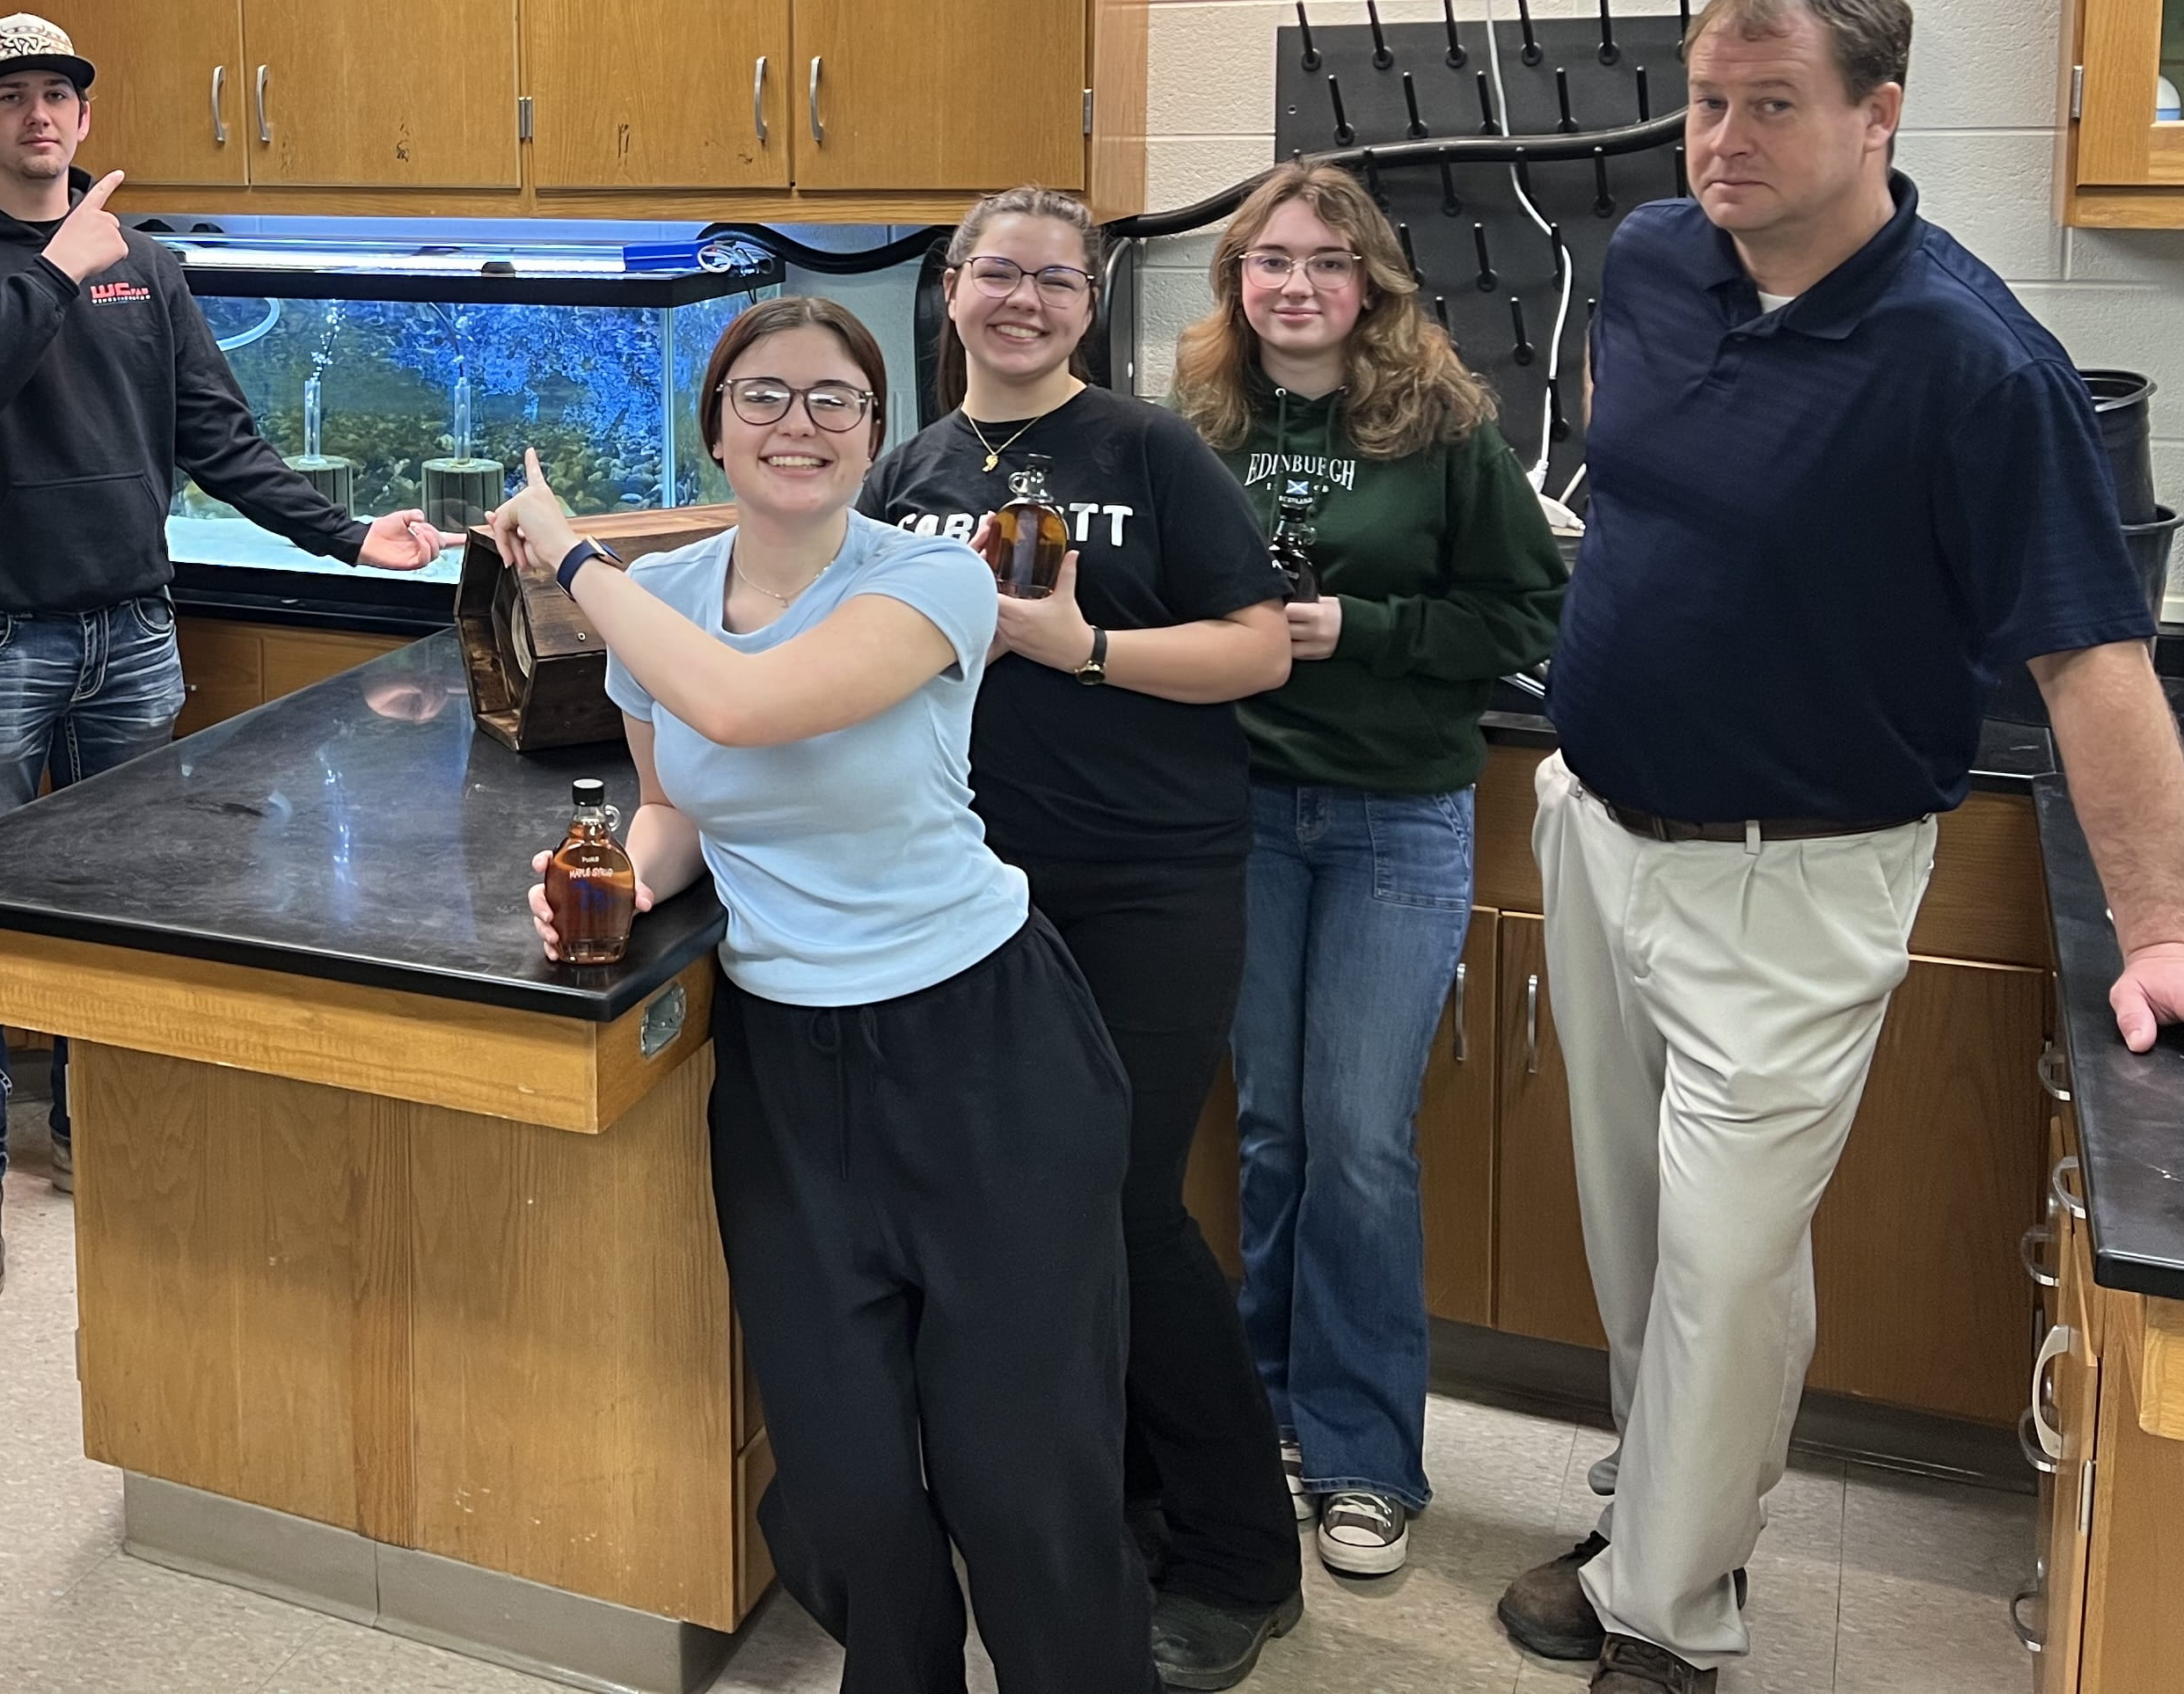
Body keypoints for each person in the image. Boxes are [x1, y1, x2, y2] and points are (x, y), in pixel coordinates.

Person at [1506, 0, 2184, 1694]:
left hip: (1795, 876)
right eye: (1707, 100)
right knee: (1639, 1238)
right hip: (1597, 823)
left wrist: (2169, 936)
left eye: (1771, 105)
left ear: (1878, 116)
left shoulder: (1974, 359)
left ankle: (1672, 1623)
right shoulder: (1648, 264)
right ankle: (1656, 1515)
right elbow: (1647, 480)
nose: (1722, 140)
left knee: (1723, 1260)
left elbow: (2091, 661)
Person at [493, 296, 1152, 1694]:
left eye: (833, 400)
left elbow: (746, 707)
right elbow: (684, 802)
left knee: (1024, 1482)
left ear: (875, 432)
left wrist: (570, 552)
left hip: (987, 1049)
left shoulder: (934, 579)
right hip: (792, 1072)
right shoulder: (661, 607)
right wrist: (605, 874)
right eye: (764, 397)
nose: (799, 424)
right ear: (717, 427)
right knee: (845, 1489)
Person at [0, 13, 441, 1308]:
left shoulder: (151, 265)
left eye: (59, 95)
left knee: (126, 899)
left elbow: (214, 435)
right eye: (9, 97)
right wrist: (59, 269)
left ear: (85, 114)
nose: (39, 117)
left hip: (131, 634)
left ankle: (98, 1125)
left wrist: (351, 534)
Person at [858, 187, 1304, 1690]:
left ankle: (1244, 1552)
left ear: (1088, 305)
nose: (1025, 301)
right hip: (972, 893)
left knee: (1120, 1205)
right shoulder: (908, 468)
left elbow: (1252, 648)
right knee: (1027, 1218)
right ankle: (1116, 1507)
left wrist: (1087, 647)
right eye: (999, 274)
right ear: (954, 290)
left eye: (1057, 280)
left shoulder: (1150, 448)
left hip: (1149, 882)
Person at [1168, 163, 1564, 1583]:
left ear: (1373, 282)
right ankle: (1269, 1417)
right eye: (1268, 260)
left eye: (1326, 262)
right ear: (1236, 283)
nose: (1294, 284)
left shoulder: (1445, 424)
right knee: (1273, 1128)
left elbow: (1529, 607)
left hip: (1394, 815)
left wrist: (1366, 632)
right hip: (1243, 809)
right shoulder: (1197, 425)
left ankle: (1364, 1457)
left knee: (1362, 1137)